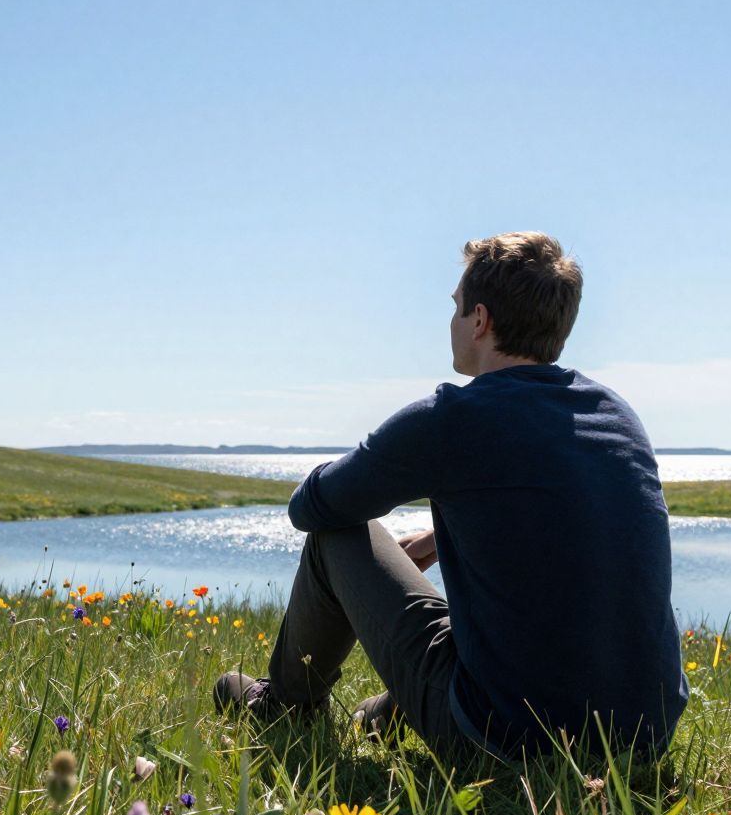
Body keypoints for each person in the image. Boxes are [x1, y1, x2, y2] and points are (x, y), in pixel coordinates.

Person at [214, 231, 686, 760]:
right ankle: (383, 718)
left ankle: (283, 705)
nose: (453, 321)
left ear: (480, 320)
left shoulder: (454, 418)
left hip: (508, 740)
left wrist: (360, 465)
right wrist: (451, 531)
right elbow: (567, 525)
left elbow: (313, 507)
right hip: (645, 738)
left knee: (340, 532)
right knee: (461, 663)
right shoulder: (616, 414)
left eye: (457, 308)